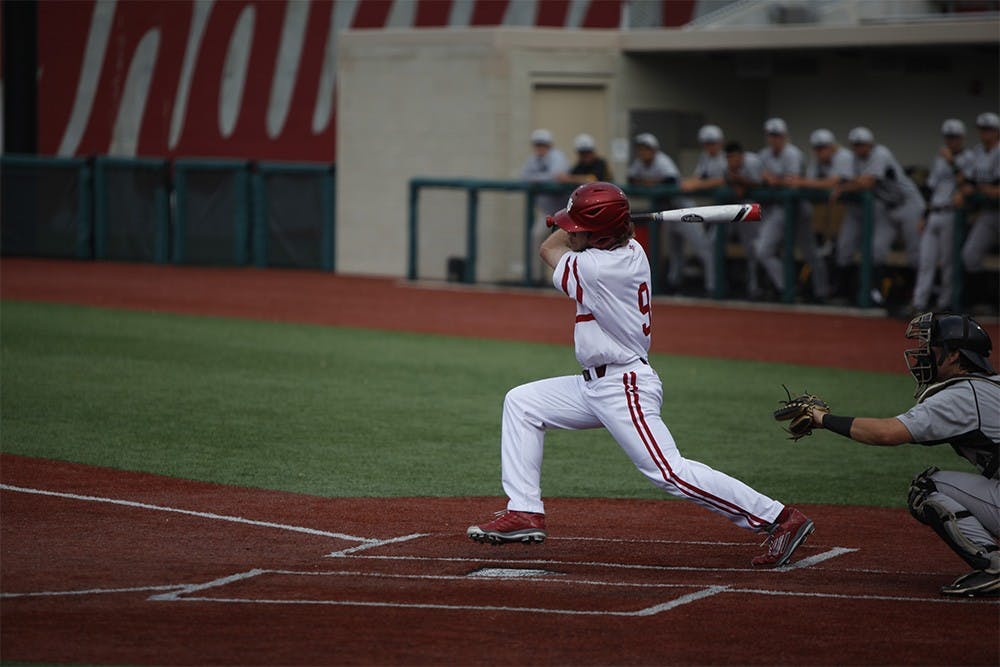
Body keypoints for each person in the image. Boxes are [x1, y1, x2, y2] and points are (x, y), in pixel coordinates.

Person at [467, 181, 815, 568]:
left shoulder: (599, 268)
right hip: (596, 383)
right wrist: (586, 223)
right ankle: (525, 512)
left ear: (599, 234)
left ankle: (780, 519)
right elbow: (574, 239)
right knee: (523, 402)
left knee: (669, 472)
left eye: (581, 226)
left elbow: (549, 248)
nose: (573, 230)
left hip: (623, 385)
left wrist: (573, 226)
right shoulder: (629, 248)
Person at [803, 312, 999, 597]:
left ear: (955, 355)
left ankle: (993, 566)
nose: (923, 356)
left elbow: (887, 433)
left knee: (927, 487)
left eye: (932, 349)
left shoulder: (963, 395)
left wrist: (821, 419)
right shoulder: (990, 386)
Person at [830, 127, 925, 307]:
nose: (859, 148)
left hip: (908, 205)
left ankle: (917, 296)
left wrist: (842, 188)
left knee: (915, 254)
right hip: (886, 208)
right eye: (856, 145)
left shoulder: (881, 153)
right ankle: (875, 293)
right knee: (875, 251)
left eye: (863, 144)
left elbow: (867, 182)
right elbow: (842, 178)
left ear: (870, 144)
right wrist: (842, 184)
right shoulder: (854, 160)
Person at [628, 132, 714, 296]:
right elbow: (631, 178)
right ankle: (675, 283)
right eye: (640, 149)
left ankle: (713, 285)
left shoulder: (662, 161)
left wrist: (648, 183)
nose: (642, 152)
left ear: (654, 150)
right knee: (675, 250)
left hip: (684, 210)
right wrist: (651, 183)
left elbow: (671, 181)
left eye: (646, 149)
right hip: (668, 212)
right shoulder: (640, 163)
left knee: (702, 248)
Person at [754, 118, 831, 303]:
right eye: (771, 135)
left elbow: (793, 182)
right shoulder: (763, 155)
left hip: (798, 209)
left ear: (785, 136)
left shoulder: (792, 154)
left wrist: (773, 180)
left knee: (810, 252)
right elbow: (759, 176)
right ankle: (787, 286)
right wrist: (768, 179)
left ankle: (822, 292)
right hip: (778, 210)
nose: (774, 139)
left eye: (777, 135)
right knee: (763, 250)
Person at [908, 119, 974, 315]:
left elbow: (968, 184)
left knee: (948, 262)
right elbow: (930, 188)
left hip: (951, 214)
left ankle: (946, 302)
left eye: (954, 137)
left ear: (962, 138)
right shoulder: (939, 158)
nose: (950, 141)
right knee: (926, 260)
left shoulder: (969, 158)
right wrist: (924, 215)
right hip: (934, 212)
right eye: (948, 137)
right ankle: (919, 303)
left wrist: (952, 162)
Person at [956, 112, 1000, 312]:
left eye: (989, 129)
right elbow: (965, 181)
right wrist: (979, 188)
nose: (985, 133)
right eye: (982, 129)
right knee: (970, 255)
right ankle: (982, 301)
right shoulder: (977, 153)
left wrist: (981, 188)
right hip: (990, 213)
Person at [787, 128, 854, 259]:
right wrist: (804, 183)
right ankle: (824, 240)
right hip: (839, 211)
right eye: (817, 148)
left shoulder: (844, 156)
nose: (819, 151)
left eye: (823, 147)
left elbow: (833, 182)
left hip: (862, 208)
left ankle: (830, 241)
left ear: (832, 146)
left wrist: (802, 182)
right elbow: (811, 182)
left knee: (848, 254)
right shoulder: (816, 160)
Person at [521, 128, 571, 284]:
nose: (540, 147)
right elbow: (524, 176)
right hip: (546, 212)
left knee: (566, 243)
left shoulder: (558, 156)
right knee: (537, 237)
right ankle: (537, 277)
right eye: (538, 144)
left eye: (543, 144)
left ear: (550, 145)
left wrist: (537, 179)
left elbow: (557, 176)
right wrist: (542, 178)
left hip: (565, 212)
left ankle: (563, 279)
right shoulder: (533, 160)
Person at [720, 141, 765, 299]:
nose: (731, 160)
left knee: (759, 249)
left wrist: (740, 179)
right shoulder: (727, 168)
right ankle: (752, 287)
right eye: (728, 157)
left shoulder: (753, 162)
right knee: (752, 249)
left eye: (734, 156)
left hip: (767, 210)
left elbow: (762, 184)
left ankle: (761, 287)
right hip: (745, 210)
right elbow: (739, 192)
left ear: (741, 155)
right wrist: (737, 180)